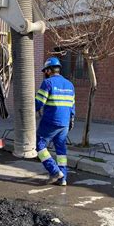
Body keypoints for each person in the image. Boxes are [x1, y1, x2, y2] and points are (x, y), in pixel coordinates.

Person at [35, 57, 75, 186]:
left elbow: (38, 102)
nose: (44, 74)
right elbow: (72, 105)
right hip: (65, 122)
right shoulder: (70, 84)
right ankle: (63, 179)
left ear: (48, 70)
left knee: (40, 146)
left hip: (50, 121)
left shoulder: (47, 83)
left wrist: (28, 111)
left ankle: (54, 171)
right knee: (61, 151)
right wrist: (72, 119)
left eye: (45, 71)